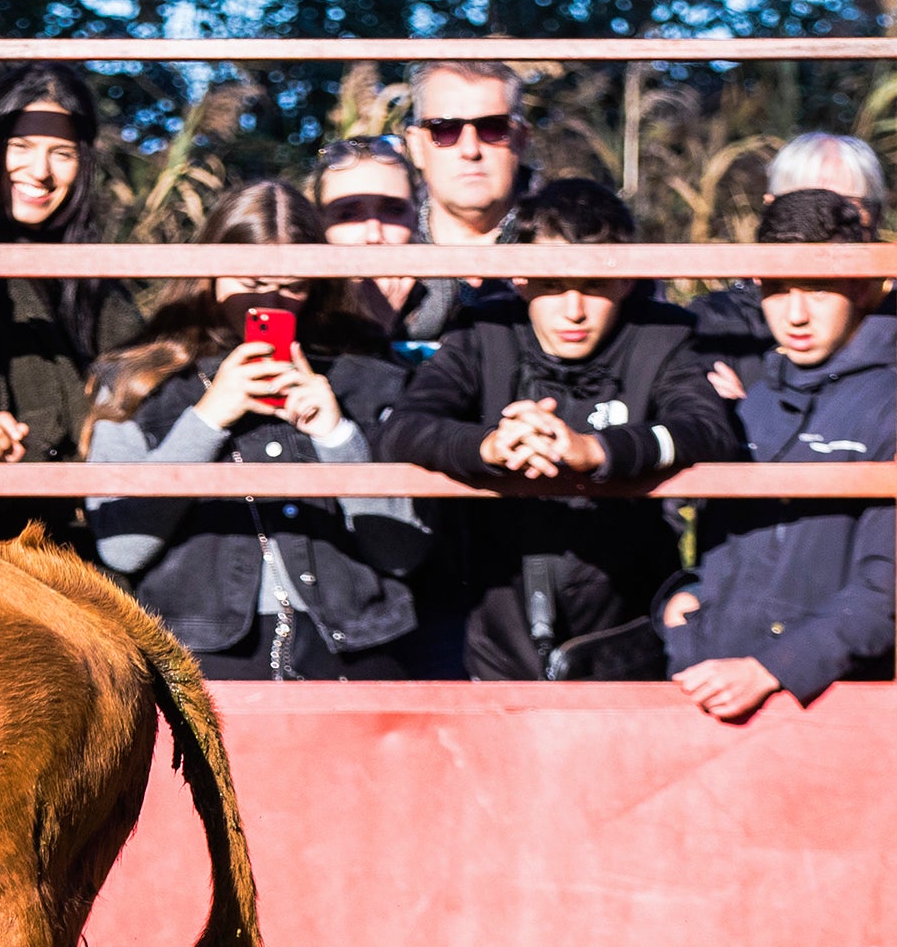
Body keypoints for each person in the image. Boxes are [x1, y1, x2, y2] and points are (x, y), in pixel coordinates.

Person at [377, 178, 742, 680]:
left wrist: (597, 452)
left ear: (626, 279)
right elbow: (404, 428)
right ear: (520, 280)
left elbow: (705, 428)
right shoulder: (485, 331)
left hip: (626, 626)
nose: (573, 310)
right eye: (551, 286)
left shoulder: (662, 335)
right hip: (492, 625)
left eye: (594, 287)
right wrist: (488, 446)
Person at [81, 181, 428, 679]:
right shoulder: (136, 381)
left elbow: (401, 552)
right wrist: (207, 418)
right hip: (199, 660)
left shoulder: (369, 376)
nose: (271, 299)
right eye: (251, 278)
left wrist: (335, 435)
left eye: (293, 285)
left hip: (361, 653)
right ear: (209, 271)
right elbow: (124, 547)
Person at [661, 187, 894, 719]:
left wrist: (773, 668)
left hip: (832, 705)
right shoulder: (757, 396)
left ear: (860, 285)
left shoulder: (889, 404)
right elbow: (721, 548)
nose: (795, 314)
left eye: (817, 287)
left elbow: (887, 590)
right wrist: (682, 607)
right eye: (776, 287)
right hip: (715, 683)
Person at [0, 62, 142, 545]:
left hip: (87, 537)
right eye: (22, 147)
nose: (41, 172)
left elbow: (141, 386)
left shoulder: (100, 280)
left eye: (62, 153)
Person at [696, 132, 891, 358]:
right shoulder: (721, 322)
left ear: (876, 217)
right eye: (801, 209)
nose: (827, 226)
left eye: (847, 212)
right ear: (770, 210)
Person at [392, 60, 536, 342]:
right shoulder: (382, 245)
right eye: (444, 130)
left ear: (521, 139)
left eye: (493, 128)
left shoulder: (567, 242)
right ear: (416, 145)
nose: (470, 150)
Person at [313, 135, 423, 340]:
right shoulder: (298, 312)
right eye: (347, 214)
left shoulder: (457, 311)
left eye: (393, 211)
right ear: (320, 224)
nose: (374, 235)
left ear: (415, 218)